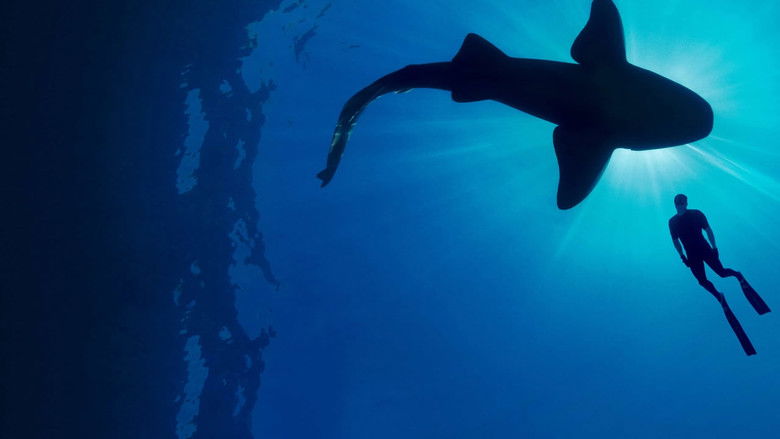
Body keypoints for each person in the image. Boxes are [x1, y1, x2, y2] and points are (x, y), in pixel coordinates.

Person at [669, 193, 770, 355]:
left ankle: (737, 275)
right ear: (676, 204)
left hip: (704, 248)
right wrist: (682, 257)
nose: (682, 204)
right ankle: (719, 296)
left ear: (686, 203)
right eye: (680, 202)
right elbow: (675, 242)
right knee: (702, 281)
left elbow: (708, 230)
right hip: (692, 255)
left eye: (684, 202)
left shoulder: (696, 213)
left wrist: (714, 247)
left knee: (722, 273)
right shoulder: (672, 222)